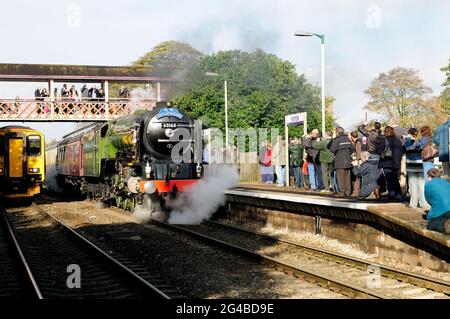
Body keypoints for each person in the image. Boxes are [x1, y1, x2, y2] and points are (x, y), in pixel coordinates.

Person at [405, 128, 429, 209]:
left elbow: (408, 148)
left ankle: (413, 204)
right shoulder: (419, 141)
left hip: (411, 166)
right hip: (419, 165)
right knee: (421, 185)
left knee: (413, 186)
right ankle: (424, 204)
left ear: (409, 133)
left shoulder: (408, 141)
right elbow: (421, 144)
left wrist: (410, 139)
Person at [378, 126, 403, 201]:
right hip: (396, 163)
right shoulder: (397, 140)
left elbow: (379, 151)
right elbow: (401, 152)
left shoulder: (384, 140)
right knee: (395, 179)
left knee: (389, 180)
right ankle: (398, 196)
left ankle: (392, 195)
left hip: (386, 162)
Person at [424, 168, 450, 234]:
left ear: (429, 176)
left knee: (430, 224)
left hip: (440, 210)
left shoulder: (428, 185)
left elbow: (429, 200)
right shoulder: (446, 182)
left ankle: (444, 225)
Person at [330, 127, 354, 197]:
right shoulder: (348, 139)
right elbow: (352, 149)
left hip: (339, 161)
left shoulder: (337, 140)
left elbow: (332, 149)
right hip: (348, 161)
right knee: (347, 178)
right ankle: (348, 192)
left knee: (340, 178)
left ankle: (341, 192)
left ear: (337, 133)